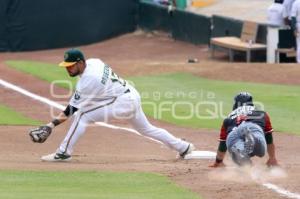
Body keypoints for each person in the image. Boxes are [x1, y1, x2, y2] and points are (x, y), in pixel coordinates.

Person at [29, 49, 195, 161]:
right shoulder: (94, 62)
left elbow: (71, 110)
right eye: (66, 66)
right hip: (131, 95)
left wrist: (50, 125)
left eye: (71, 66)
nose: (68, 69)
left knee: (82, 115)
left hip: (122, 102)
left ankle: (63, 153)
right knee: (147, 129)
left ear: (80, 63)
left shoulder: (88, 81)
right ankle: (183, 147)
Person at [209, 92, 279, 167]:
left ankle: (242, 154)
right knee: (261, 151)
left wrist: (218, 161)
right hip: (252, 127)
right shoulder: (261, 113)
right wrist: (272, 158)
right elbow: (269, 138)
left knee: (237, 148)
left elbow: (223, 144)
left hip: (234, 133)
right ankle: (253, 139)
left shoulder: (228, 118)